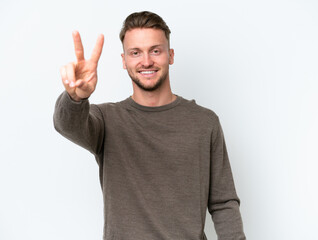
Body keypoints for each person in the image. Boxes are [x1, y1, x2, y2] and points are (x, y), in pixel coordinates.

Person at [54, 11, 246, 240]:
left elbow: (223, 202)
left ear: (170, 55)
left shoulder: (205, 122)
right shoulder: (107, 119)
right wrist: (76, 98)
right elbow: (67, 124)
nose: (146, 61)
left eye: (155, 50)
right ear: (124, 60)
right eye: (135, 53)